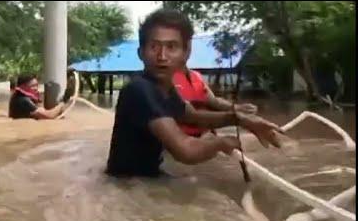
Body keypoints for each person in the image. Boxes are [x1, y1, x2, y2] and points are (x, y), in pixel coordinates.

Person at [106, 9, 283, 178]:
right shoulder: (139, 90)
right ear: (141, 53)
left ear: (186, 53)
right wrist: (219, 143)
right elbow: (187, 151)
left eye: (172, 47)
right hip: (126, 186)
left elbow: (191, 116)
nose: (162, 56)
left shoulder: (165, 88)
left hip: (145, 179)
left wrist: (241, 119)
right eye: (154, 47)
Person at [173, 66, 258, 137]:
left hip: (204, 137)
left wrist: (236, 107)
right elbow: (190, 116)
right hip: (177, 141)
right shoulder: (164, 78)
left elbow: (213, 101)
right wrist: (238, 119)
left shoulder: (195, 75)